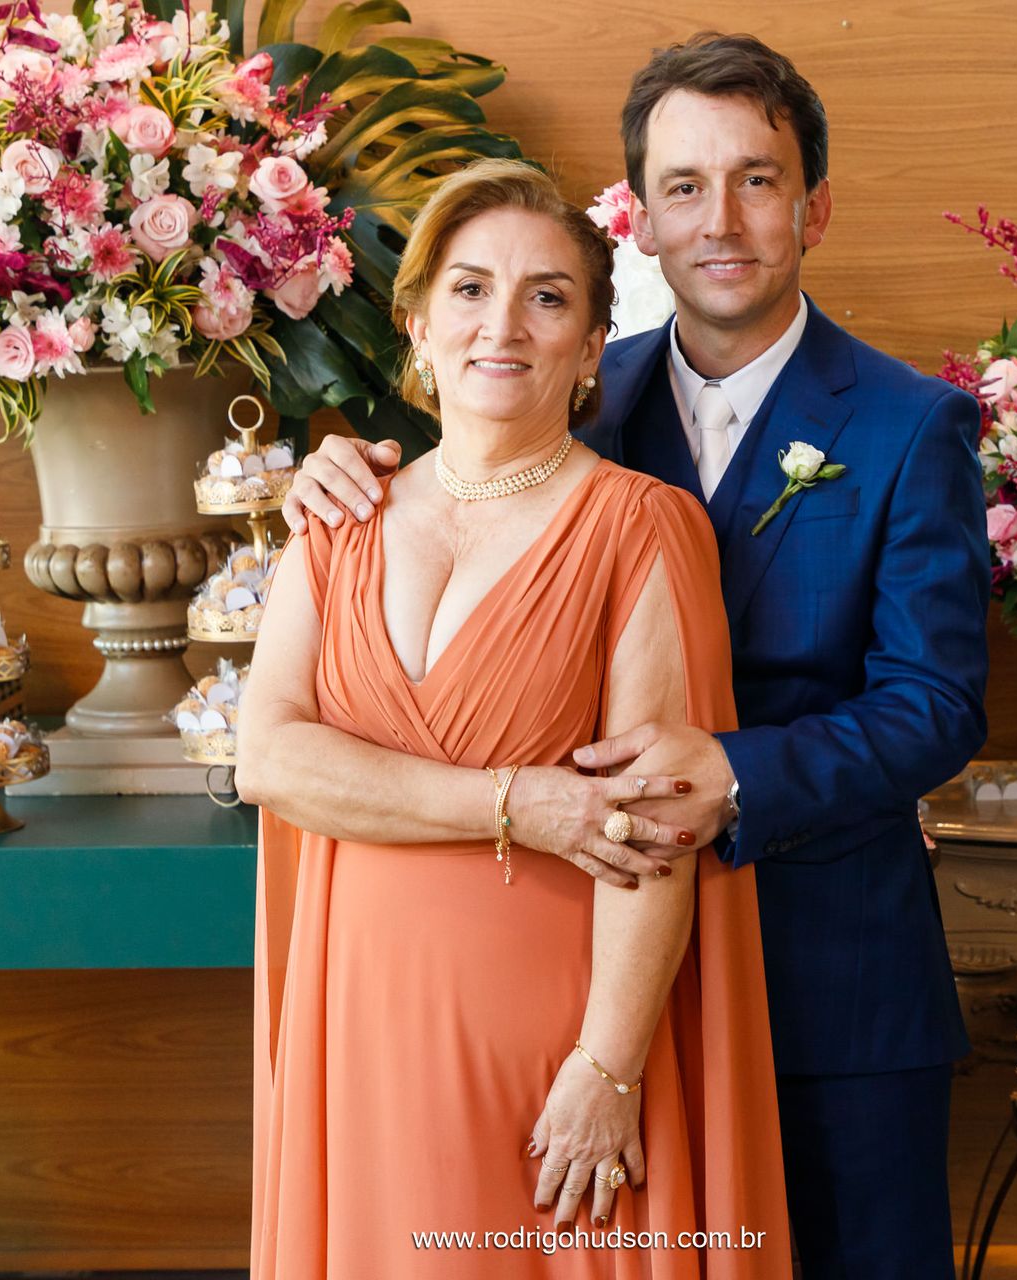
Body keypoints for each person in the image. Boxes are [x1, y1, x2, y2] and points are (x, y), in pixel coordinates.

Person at [283, 34, 990, 1279]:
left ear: (812, 205)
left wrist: (736, 770)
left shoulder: (908, 422)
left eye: (756, 179)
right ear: (642, 222)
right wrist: (332, 468)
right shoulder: (557, 378)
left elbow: (935, 704)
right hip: (590, 965)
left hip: (825, 970)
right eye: (682, 186)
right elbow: (451, 492)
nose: (719, 219)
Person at [237, 159, 791, 1278]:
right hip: (361, 1028)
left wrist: (611, 1064)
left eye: (548, 297)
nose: (505, 324)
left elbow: (660, 824)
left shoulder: (644, 525)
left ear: (592, 347)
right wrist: (515, 800)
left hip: (554, 1037)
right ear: (418, 322)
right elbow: (269, 757)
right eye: (470, 289)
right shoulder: (338, 513)